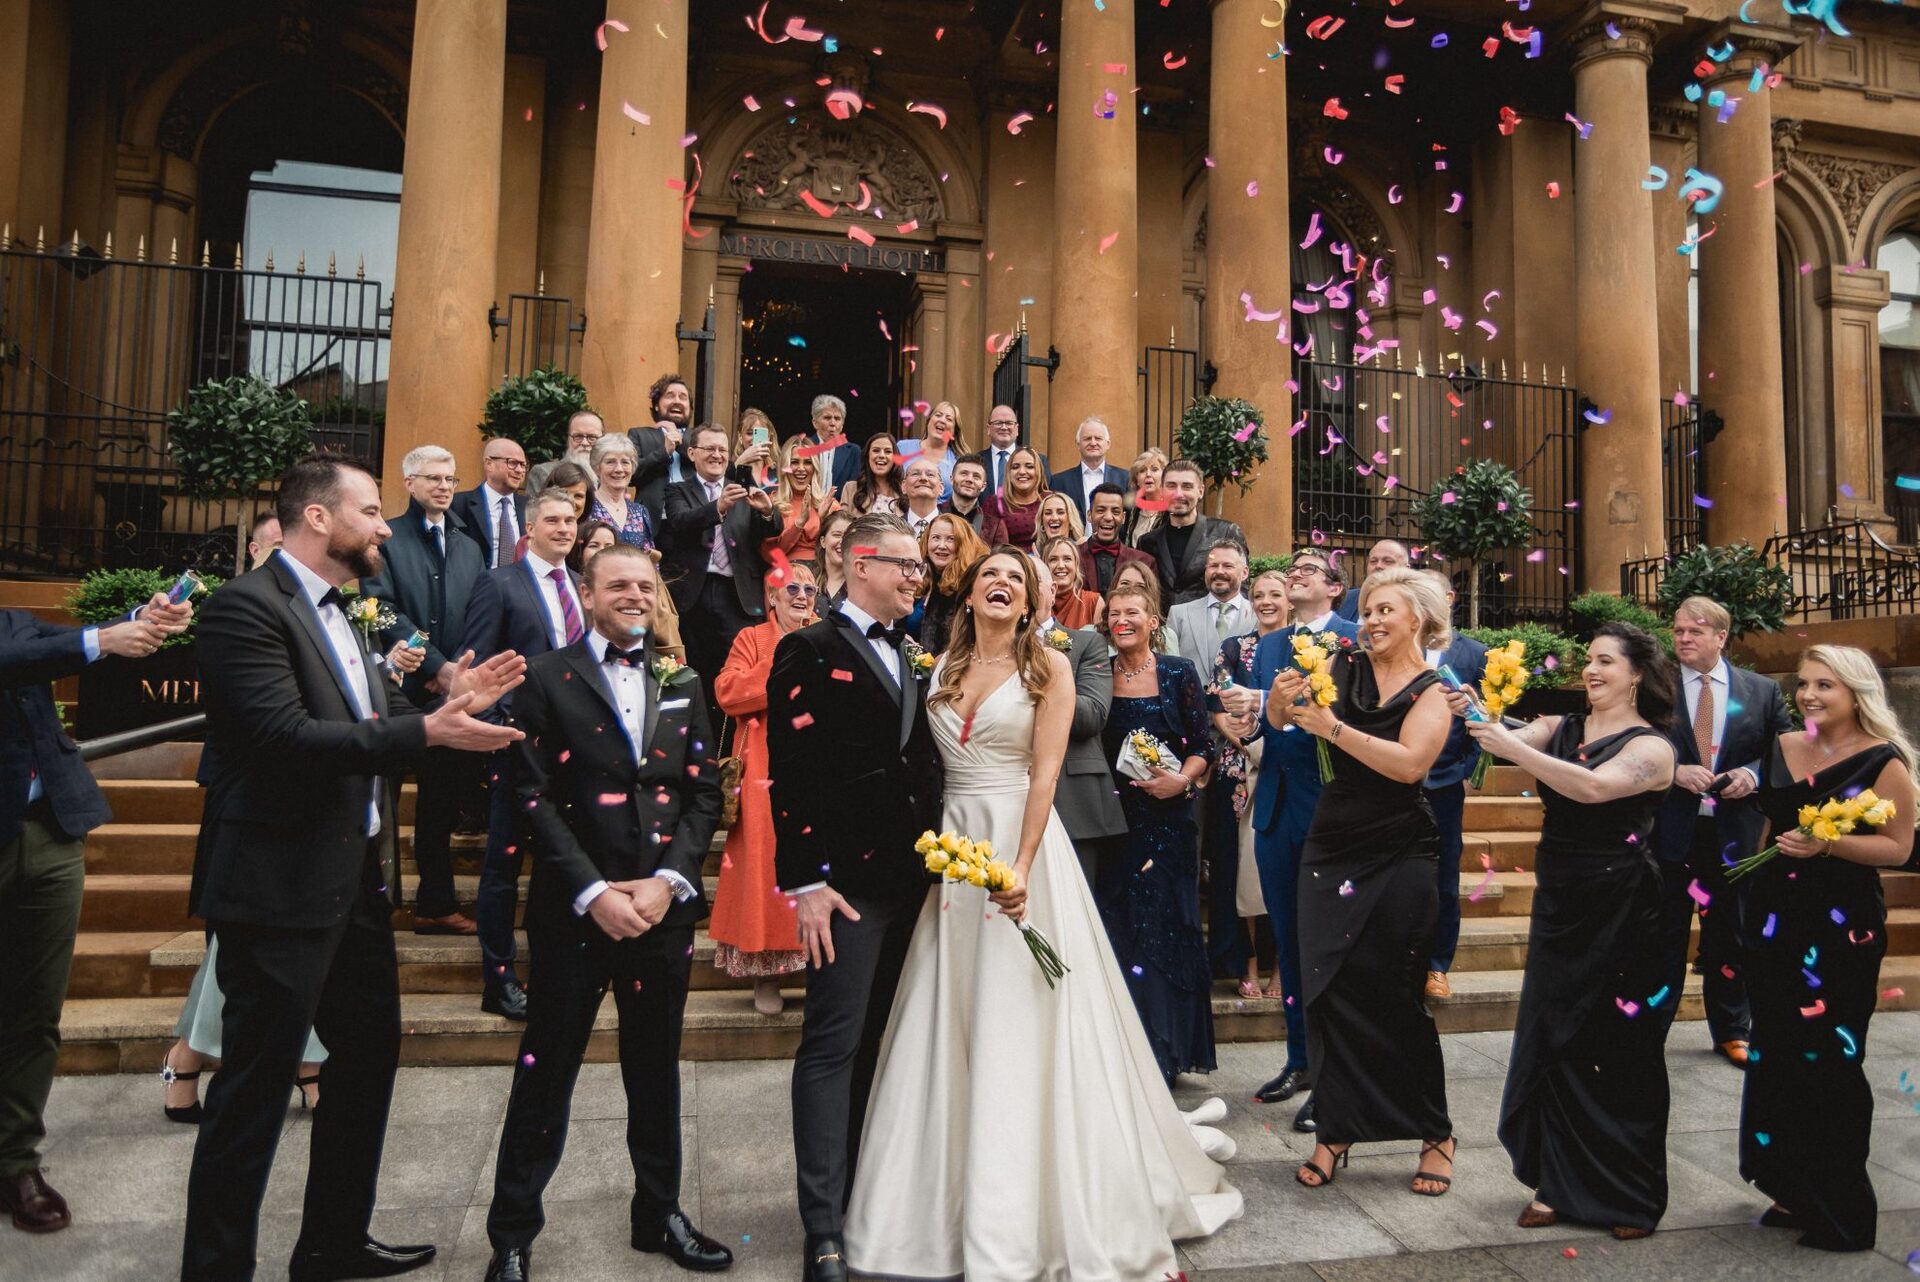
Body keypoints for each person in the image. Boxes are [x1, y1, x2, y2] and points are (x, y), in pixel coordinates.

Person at [843, 551, 1241, 1280]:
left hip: (1020, 843)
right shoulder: (938, 671)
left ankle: (1027, 1196)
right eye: (991, 573)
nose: (1003, 583)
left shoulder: (1049, 669)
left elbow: (1047, 773)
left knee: (1022, 1007)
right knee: (950, 1007)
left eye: (1018, 579)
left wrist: (1021, 865)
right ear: (968, 594)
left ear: (1031, 602)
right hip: (950, 852)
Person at [181, 455, 525, 1282]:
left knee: (367, 1062)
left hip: (355, 887)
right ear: (318, 520)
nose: (383, 527)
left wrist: (446, 706)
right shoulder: (243, 611)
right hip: (276, 885)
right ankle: (216, 1268)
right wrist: (425, 735)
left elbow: (366, 715)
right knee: (254, 1094)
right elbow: (283, 738)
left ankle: (333, 1244)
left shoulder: (355, 610)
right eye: (370, 513)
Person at [481, 544, 729, 1281]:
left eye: (645, 586)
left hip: (662, 914)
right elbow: (529, 797)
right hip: (574, 915)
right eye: (618, 583)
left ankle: (659, 1213)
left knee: (656, 1072)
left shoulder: (681, 679)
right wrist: (594, 892)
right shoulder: (545, 679)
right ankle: (512, 1236)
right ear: (586, 593)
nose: (633, 595)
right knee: (545, 1070)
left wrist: (668, 883)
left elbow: (703, 794)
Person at [766, 514, 945, 1282]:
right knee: (833, 1046)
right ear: (861, 564)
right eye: (907, 566)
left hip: (915, 882)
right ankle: (822, 1228)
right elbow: (791, 774)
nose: (918, 578)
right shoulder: (806, 649)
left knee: (883, 1041)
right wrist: (806, 883)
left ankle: (868, 1193)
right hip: (844, 890)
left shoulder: (911, 652)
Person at [1464, 624, 1679, 1238]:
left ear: (1636, 673)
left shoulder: (1654, 748)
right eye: (1588, 660)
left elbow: (1590, 788)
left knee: (1616, 1045)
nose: (1591, 670)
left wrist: (1526, 753)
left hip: (1624, 907)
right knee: (1555, 1037)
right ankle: (1556, 1184)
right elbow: (1505, 742)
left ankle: (1629, 1195)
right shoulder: (1563, 728)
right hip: (1563, 900)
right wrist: (1476, 714)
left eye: (1605, 661)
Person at [2, 587, 190, 1233]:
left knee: (35, 1010)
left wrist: (136, 624)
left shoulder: (12, 622)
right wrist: (104, 637)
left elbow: (36, 647)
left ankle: (15, 1160)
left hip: (48, 829)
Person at [1271, 567, 1455, 1198]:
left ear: (1419, 621)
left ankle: (1435, 1133)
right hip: (1334, 840)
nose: (1372, 620)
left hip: (1401, 847)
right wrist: (1281, 697)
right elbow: (1279, 720)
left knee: (1395, 991)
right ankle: (1338, 1129)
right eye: (1368, 610)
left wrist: (1334, 730)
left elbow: (1409, 767)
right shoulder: (1340, 667)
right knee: (1330, 987)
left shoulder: (1433, 691)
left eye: (1386, 611)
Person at [1741, 644, 1915, 1253]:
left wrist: (1829, 846)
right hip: (1774, 919)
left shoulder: (1884, 761)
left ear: (1857, 693)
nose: (1809, 695)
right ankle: (1789, 1185)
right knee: (1779, 1049)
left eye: (1826, 686)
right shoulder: (1785, 747)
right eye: (1805, 683)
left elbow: (1897, 847)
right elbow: (1768, 824)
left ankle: (1840, 1209)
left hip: (1840, 928)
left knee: (1831, 1059)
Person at [1231, 548, 1359, 1121]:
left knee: (1331, 947)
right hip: (1277, 809)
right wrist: (1249, 716)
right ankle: (1300, 1057)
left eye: (1308, 568)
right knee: (1288, 941)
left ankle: (1336, 1074)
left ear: (1335, 587)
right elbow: (1264, 725)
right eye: (1294, 569)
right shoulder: (1273, 646)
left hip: (1334, 809)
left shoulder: (1357, 638)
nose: (1296, 573)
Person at [1648, 595, 1794, 1067]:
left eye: (1695, 631)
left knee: (1731, 935)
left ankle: (1733, 1031)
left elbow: (1786, 750)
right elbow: (1632, 735)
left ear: (1721, 637)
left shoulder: (1761, 691)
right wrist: (1672, 771)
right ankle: (1651, 1028)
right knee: (1665, 934)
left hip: (1735, 834)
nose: (1684, 639)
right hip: (1671, 831)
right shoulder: (1656, 685)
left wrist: (1752, 775)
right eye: (1678, 631)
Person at [465, 490, 591, 1020]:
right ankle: (499, 980)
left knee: (566, 866)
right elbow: (476, 669)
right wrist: (496, 730)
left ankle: (558, 973)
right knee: (502, 869)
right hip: (519, 749)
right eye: (554, 520)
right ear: (531, 528)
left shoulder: (584, 588)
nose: (564, 529)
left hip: (579, 752)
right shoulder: (500, 584)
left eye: (571, 520)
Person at [358, 443, 487, 936]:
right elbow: (380, 606)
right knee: (383, 798)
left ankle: (435, 903)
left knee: (439, 804)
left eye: (451, 478)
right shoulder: (388, 540)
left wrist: (456, 670)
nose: (444, 486)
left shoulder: (469, 544)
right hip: (397, 687)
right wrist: (434, 664)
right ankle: (375, 902)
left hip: (450, 693)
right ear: (409, 483)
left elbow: (477, 611)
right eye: (433, 477)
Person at [1098, 578, 1219, 1083]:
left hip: (1169, 824)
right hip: (1113, 826)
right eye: (1114, 614)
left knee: (1167, 930)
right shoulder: (1097, 675)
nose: (1122, 621)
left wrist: (1182, 782)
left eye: (1133, 613)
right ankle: (1124, 1051)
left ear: (1153, 622)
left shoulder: (1177, 673)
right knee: (1121, 929)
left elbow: (1204, 744)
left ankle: (1167, 1049)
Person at [711, 565, 816, 1016]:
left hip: (818, 771)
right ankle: (766, 973)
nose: (801, 595)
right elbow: (728, 692)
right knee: (764, 874)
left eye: (810, 589)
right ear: (771, 597)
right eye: (791, 587)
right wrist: (785, 659)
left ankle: (817, 970)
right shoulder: (751, 640)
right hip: (761, 775)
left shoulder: (828, 635)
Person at [1169, 540, 1253, 979]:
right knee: (1191, 846)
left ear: (1245, 570)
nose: (1218, 571)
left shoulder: (1261, 614)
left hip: (1245, 752)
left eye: (1228, 565)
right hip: (1192, 749)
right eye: (1212, 565)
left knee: (1232, 856)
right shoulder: (1180, 615)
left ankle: (1230, 953)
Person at [1208, 568, 1290, 997]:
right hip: (1238, 769)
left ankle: (1280, 965)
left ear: (1289, 599)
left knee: (1278, 871)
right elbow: (1217, 702)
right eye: (1259, 594)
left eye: (1275, 594)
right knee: (1239, 870)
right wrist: (1246, 744)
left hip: (1286, 770)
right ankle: (1248, 961)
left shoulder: (1300, 648)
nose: (1266, 601)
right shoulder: (1234, 648)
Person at [664, 423, 783, 710]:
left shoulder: (744, 490)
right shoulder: (677, 490)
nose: (717, 455)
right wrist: (718, 506)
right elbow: (681, 523)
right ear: (692, 453)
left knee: (736, 674)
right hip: (694, 595)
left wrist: (768, 511)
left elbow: (768, 532)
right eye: (709, 449)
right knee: (692, 675)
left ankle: (730, 748)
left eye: (722, 450)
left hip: (737, 595)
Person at [1418, 567, 1488, 1000]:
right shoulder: (1390, 647)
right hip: (1393, 777)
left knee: (1444, 873)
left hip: (1444, 780)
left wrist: (1469, 771)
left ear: (1449, 597)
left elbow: (1486, 715)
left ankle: (1437, 965)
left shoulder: (1473, 652)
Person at [1136, 460, 1245, 606]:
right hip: (1162, 626)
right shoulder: (1147, 542)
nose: (1178, 494)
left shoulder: (1226, 532)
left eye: (1187, 486)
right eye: (1171, 486)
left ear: (1200, 491)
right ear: (1161, 491)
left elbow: (1242, 587)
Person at [628, 373, 693, 529]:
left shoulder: (700, 436)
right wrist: (664, 452)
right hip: (651, 523)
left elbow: (704, 462)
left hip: (692, 519)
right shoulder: (638, 434)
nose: (677, 401)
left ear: (690, 408)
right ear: (657, 405)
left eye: (683, 397)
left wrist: (678, 441)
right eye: (670, 396)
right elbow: (630, 474)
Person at [453, 437, 529, 570]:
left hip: (518, 586)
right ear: (489, 464)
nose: (519, 470)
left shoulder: (530, 507)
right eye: (512, 463)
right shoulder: (457, 504)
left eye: (523, 465)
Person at [916, 512, 987, 653]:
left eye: (950, 539)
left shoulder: (970, 585)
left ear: (963, 545)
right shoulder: (918, 576)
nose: (942, 546)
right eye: (936, 538)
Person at [769, 435, 838, 567]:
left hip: (820, 574)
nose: (801, 468)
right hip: (782, 575)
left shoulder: (829, 504)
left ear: (815, 468)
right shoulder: (771, 503)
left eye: (807, 462)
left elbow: (839, 550)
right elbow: (770, 554)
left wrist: (824, 520)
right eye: (794, 462)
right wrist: (800, 523)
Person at [1048, 414, 1131, 516]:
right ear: (1078, 444)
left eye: (1098, 438)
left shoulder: (1125, 479)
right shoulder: (1059, 482)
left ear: (1108, 444)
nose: (1093, 443)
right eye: (1087, 438)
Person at [587, 433, 657, 552]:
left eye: (625, 462)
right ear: (597, 468)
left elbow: (649, 558)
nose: (619, 469)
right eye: (610, 462)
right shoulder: (586, 506)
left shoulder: (640, 512)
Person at [1080, 482, 1152, 595]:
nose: (1108, 517)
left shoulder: (1144, 561)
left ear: (1123, 518)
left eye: (1115, 512)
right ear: (1089, 515)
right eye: (1100, 510)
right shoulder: (1072, 558)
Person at [978, 445, 1047, 551]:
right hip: (1007, 562)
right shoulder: (996, 502)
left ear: (1039, 471)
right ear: (1008, 473)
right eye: (1015, 467)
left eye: (1029, 466)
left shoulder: (1049, 500)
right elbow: (984, 545)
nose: (1022, 471)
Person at [971, 403, 1046, 494]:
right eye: (998, 423)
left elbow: (1044, 494)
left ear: (1017, 429)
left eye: (1009, 423)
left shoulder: (1038, 460)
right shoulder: (975, 461)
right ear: (988, 429)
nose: (1004, 427)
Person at [1111, 560, 1179, 655]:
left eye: (1140, 587)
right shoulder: (1092, 634)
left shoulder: (1167, 636)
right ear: (1114, 586)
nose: (1131, 590)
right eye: (1125, 583)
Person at [1334, 538, 1410, 623]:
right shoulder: (1345, 599)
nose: (1378, 566)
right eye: (1373, 561)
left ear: (1406, 569)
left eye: (1388, 561)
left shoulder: (1415, 603)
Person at [527, 409, 602, 494]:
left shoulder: (610, 476)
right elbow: (534, 507)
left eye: (592, 437)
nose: (584, 443)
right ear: (568, 439)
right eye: (578, 436)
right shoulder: (544, 473)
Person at [1039, 534, 1103, 631]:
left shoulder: (1094, 602)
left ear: (1076, 564)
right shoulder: (1036, 602)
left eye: (1067, 559)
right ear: (1044, 565)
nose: (1061, 565)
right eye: (1053, 559)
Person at [803, 393, 861, 494]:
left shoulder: (853, 451)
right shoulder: (804, 447)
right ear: (815, 422)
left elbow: (854, 490)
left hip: (841, 508)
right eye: (827, 418)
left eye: (837, 419)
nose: (833, 423)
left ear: (842, 425)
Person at [912, 399, 967, 499]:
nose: (942, 420)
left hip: (943, 513)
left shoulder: (959, 461)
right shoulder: (902, 447)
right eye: (938, 415)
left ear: (954, 431)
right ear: (928, 421)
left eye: (949, 419)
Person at [839, 432, 902, 516]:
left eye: (887, 451)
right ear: (867, 456)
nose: (882, 455)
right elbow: (842, 524)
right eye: (876, 450)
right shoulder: (850, 489)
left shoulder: (905, 491)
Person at [1124, 447, 1170, 546]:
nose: (1148, 474)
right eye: (1142, 471)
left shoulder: (1171, 511)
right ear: (1136, 480)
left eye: (1154, 469)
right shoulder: (1131, 511)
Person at [898, 453, 943, 540]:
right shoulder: (891, 529)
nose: (923, 478)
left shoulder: (956, 528)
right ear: (904, 486)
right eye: (915, 474)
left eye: (930, 475)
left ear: (941, 488)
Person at [816, 508, 855, 607]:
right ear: (823, 541)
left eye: (849, 536)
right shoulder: (806, 576)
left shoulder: (862, 585)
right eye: (837, 535)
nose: (842, 542)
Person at [940, 456, 988, 531]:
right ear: (951, 479)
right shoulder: (935, 514)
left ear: (983, 486)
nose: (969, 479)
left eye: (976, 477)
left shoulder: (994, 524)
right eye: (964, 474)